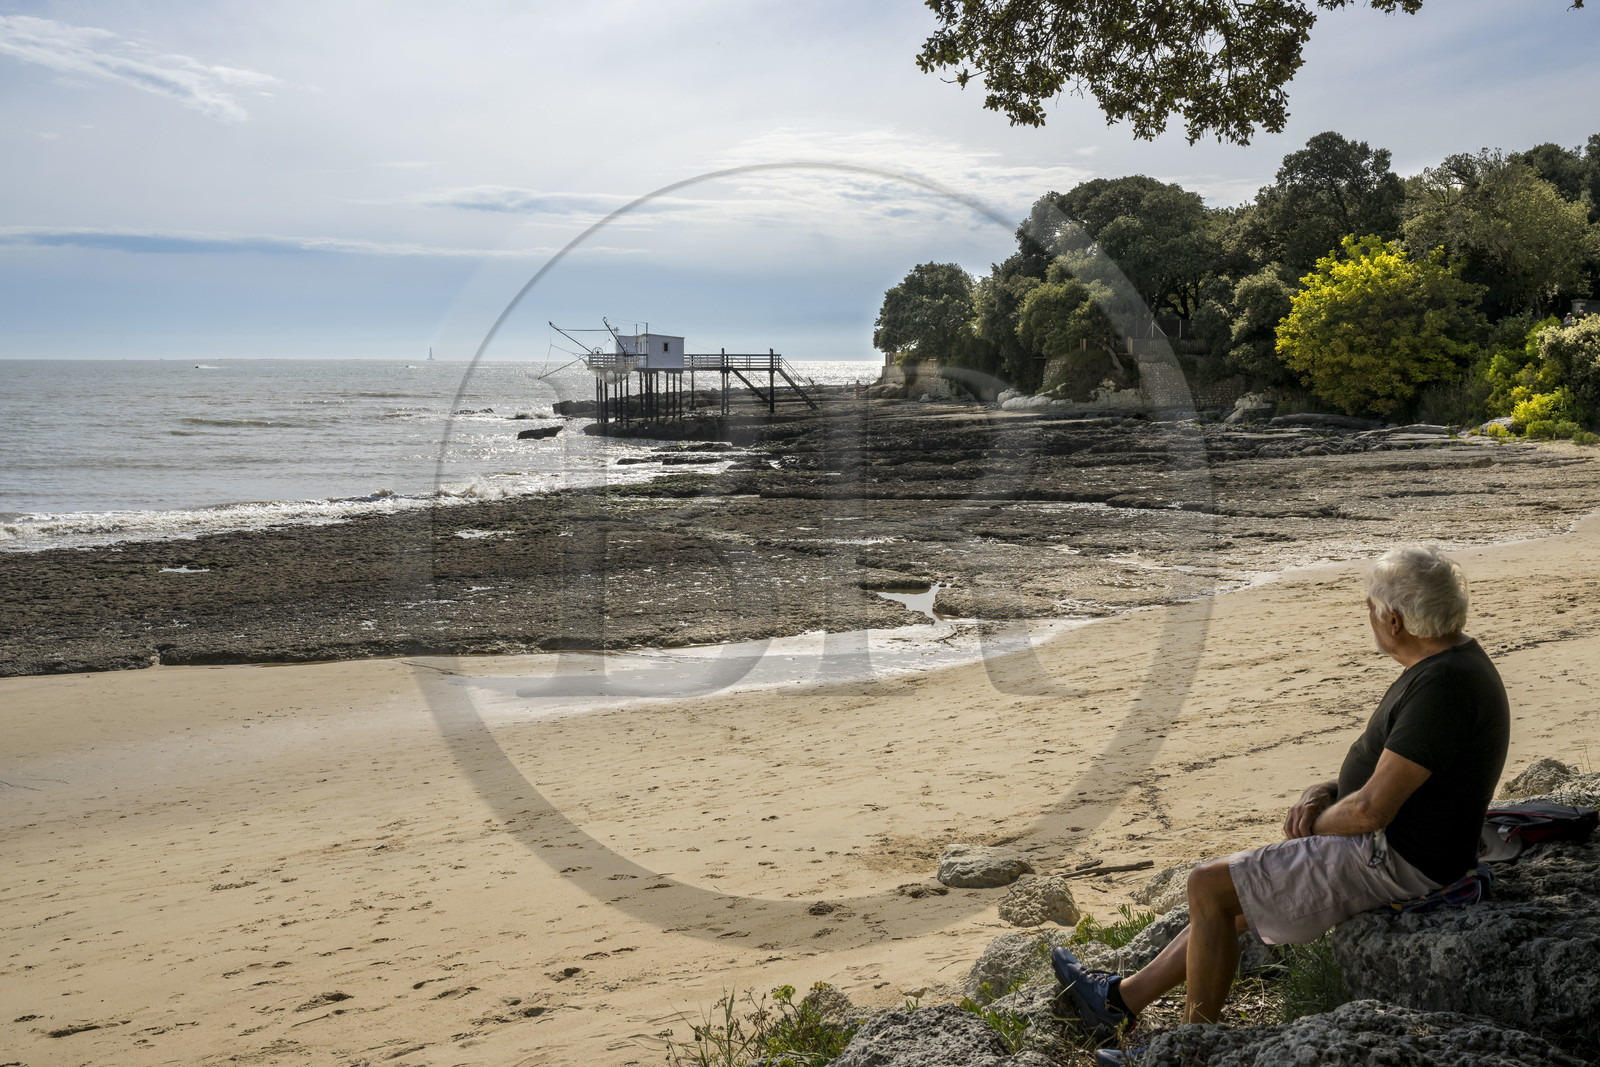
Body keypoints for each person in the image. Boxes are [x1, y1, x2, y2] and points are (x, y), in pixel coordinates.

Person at [1055, 546, 1510, 1065]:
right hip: (1406, 846)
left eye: (1370, 606)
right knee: (1236, 894)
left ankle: (1186, 1052)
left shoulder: (1443, 686)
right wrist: (1328, 790)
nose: (1367, 615)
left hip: (1395, 859)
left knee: (1208, 887)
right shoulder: (1450, 663)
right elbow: (1402, 772)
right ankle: (1119, 1001)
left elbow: (1372, 811)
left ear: (1394, 620)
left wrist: (1314, 825)